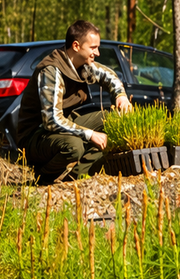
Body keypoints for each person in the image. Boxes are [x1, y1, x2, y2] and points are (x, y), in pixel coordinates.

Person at [14, 20, 132, 183]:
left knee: (113, 121)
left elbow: (109, 75)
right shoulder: (51, 71)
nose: (97, 53)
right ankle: (42, 180)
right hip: (36, 136)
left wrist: (121, 96)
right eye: (93, 48)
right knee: (74, 146)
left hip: (61, 126)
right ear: (76, 46)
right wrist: (90, 134)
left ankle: (75, 178)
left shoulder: (83, 64)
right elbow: (52, 121)